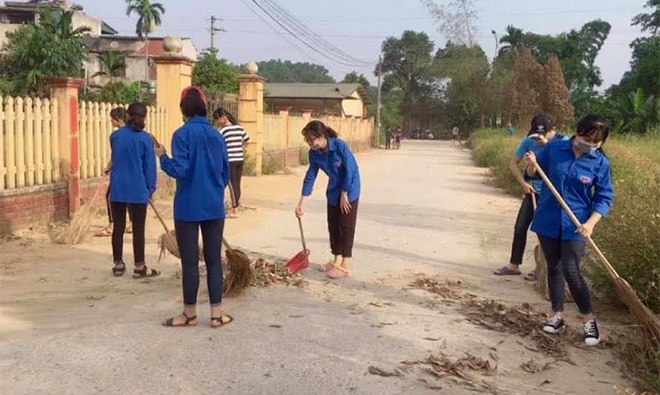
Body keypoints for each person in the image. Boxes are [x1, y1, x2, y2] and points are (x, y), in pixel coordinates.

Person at [525, 114, 613, 346]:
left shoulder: (600, 163)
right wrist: (532, 165)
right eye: (587, 138)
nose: (591, 144)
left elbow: (604, 197)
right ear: (577, 132)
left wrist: (591, 224)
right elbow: (532, 174)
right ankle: (557, 316)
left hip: (577, 225)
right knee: (554, 267)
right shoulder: (554, 150)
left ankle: (589, 321)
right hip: (548, 219)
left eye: (597, 142)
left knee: (571, 269)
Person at [157, 86, 233, 328]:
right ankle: (216, 314)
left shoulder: (181, 135)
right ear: (203, 107)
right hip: (213, 206)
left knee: (189, 262)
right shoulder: (217, 136)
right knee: (213, 261)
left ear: (183, 109)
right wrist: (214, 189)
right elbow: (225, 172)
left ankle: (189, 314)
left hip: (188, 207)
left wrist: (162, 156)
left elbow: (179, 169)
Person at [494, 114, 563, 278]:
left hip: (553, 196)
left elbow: (563, 167)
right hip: (533, 191)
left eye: (542, 135)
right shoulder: (528, 142)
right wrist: (523, 184)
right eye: (535, 135)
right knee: (520, 227)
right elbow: (513, 163)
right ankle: (514, 265)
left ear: (551, 130)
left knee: (545, 232)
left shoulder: (562, 143)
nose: (538, 139)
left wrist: (548, 147)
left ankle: (543, 268)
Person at [295, 120, 361, 280]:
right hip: (333, 190)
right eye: (308, 141)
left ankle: (345, 264)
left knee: (346, 225)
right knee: (333, 225)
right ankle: (336, 258)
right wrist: (301, 202)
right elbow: (311, 175)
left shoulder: (340, 146)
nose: (311, 144)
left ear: (322, 136)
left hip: (350, 188)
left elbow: (350, 170)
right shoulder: (314, 153)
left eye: (312, 140)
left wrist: (345, 193)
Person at [108, 102, 158, 278]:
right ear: (145, 117)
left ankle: (118, 265)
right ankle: (139, 267)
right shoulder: (145, 138)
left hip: (117, 188)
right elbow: (149, 167)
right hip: (138, 189)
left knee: (118, 228)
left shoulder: (115, 137)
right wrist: (151, 189)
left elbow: (116, 159)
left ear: (127, 116)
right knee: (138, 229)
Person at [97, 107, 133, 237]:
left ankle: (112, 224)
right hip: (133, 172)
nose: (111, 122)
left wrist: (109, 167)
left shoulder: (115, 136)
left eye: (112, 120)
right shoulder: (137, 134)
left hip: (119, 173)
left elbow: (115, 155)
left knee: (109, 196)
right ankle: (132, 223)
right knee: (130, 198)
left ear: (118, 120)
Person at [213, 107, 250, 218]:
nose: (217, 123)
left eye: (217, 120)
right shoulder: (239, 128)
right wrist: (239, 147)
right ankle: (235, 207)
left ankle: (235, 210)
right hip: (240, 159)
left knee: (230, 184)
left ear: (223, 118)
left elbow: (217, 144)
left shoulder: (223, 130)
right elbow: (247, 140)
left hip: (230, 160)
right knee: (236, 184)